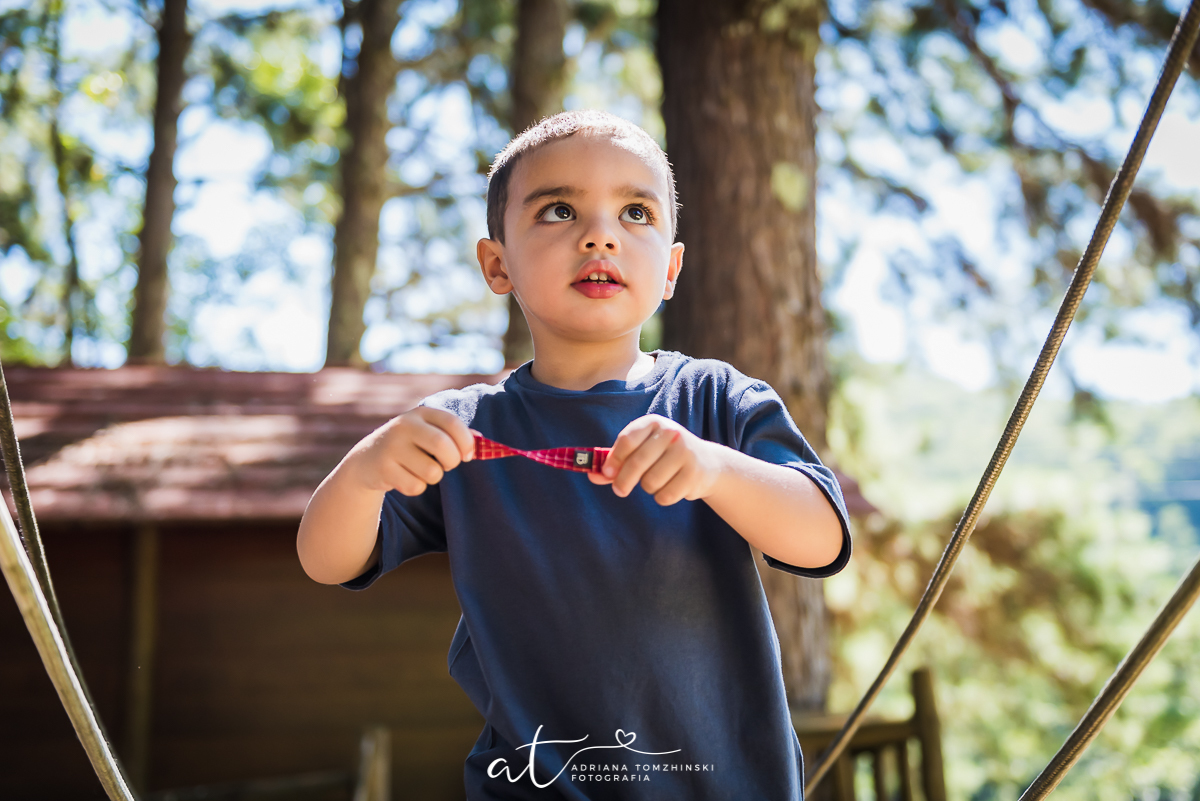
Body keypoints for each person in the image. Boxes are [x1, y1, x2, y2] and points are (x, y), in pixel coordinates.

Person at [297, 109, 852, 800]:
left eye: (636, 212)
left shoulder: (716, 400)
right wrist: (364, 471)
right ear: (498, 263)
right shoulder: (462, 429)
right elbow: (327, 558)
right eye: (560, 209)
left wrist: (715, 470)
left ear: (672, 268)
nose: (600, 235)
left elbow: (822, 538)